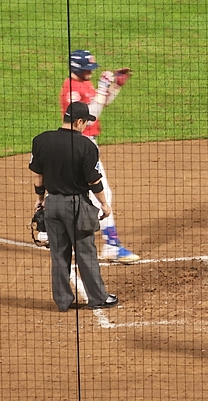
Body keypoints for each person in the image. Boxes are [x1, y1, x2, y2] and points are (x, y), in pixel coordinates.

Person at [29, 102, 119, 312]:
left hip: (52, 204)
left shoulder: (41, 140)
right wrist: (104, 204)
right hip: (76, 206)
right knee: (85, 252)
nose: (86, 125)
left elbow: (38, 175)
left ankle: (62, 301)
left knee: (58, 253)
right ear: (79, 121)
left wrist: (40, 198)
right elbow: (94, 181)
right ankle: (98, 297)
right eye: (85, 122)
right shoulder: (86, 146)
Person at [59, 49, 141, 264]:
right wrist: (104, 87)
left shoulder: (84, 83)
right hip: (80, 144)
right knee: (101, 192)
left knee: (76, 190)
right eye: (88, 69)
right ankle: (112, 246)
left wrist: (115, 87)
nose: (91, 72)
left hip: (85, 144)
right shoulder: (71, 89)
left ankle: (51, 229)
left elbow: (101, 102)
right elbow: (91, 114)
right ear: (76, 68)